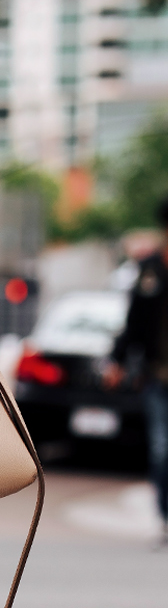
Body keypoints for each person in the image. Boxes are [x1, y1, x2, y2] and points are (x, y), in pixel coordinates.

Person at [107, 194, 168, 543]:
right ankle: (164, 517)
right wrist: (117, 361)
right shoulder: (150, 269)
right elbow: (132, 323)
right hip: (158, 376)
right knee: (162, 450)